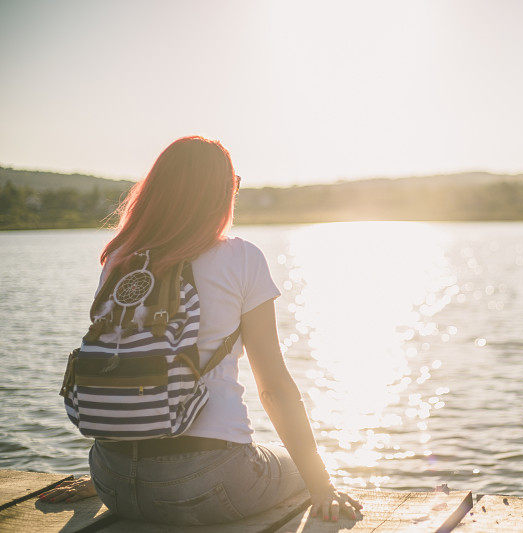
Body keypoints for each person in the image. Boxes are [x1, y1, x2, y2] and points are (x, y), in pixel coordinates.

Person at [40, 136, 362, 525]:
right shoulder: (242, 258)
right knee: (293, 465)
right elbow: (273, 386)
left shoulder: (120, 260)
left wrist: (110, 478)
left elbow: (121, 372)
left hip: (112, 480)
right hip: (207, 484)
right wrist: (322, 486)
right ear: (220, 194)